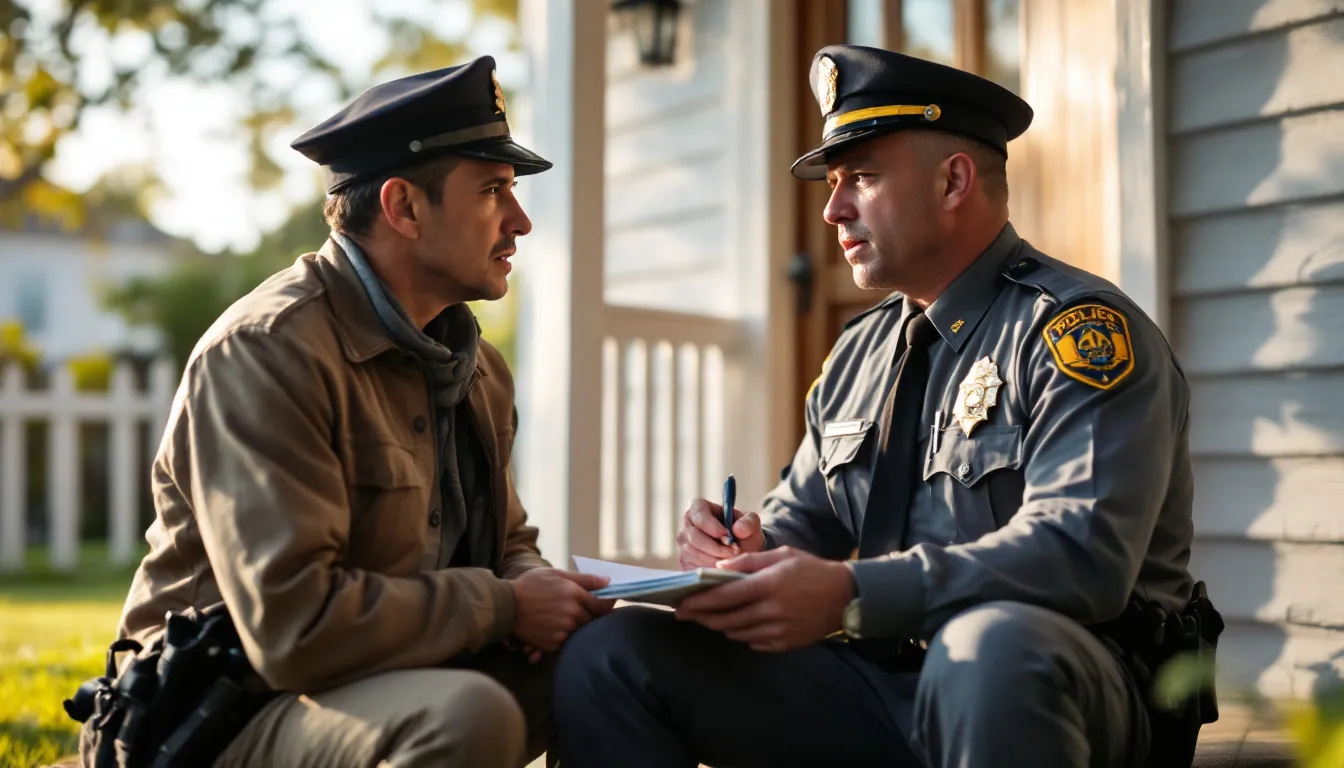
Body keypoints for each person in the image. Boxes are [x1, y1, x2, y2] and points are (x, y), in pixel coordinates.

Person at [553, 44, 1214, 768]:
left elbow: (1083, 556)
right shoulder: (860, 353)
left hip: (1069, 686)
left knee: (988, 648)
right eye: (833, 183)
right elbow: (802, 525)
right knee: (612, 652)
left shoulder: (1074, 333)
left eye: (861, 178)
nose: (833, 209)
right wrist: (740, 558)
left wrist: (849, 591)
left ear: (953, 181)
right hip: (892, 684)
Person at [99, 56, 615, 768]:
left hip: (386, 685)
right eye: (494, 189)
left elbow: (509, 542)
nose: (520, 220)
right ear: (403, 207)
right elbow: (292, 629)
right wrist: (503, 607)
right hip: (215, 714)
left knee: (610, 660)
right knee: (469, 718)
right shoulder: (268, 354)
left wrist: (534, 585)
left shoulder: (476, 368)